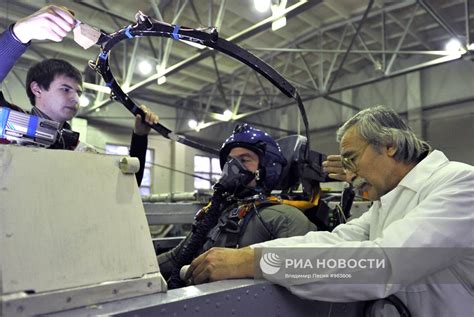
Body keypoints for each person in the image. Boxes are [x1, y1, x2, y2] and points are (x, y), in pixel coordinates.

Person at [185, 106, 474, 316]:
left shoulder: (460, 184)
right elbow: (335, 240)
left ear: (389, 146)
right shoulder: (390, 201)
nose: (348, 171)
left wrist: (256, 263)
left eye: (352, 158)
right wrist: (249, 255)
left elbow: (382, 264)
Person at [0, 5, 158, 185]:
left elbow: (127, 185)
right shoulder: (7, 123)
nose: (75, 98)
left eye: (78, 92)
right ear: (37, 89)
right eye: (65, 89)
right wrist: (19, 34)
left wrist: (140, 136)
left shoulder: (80, 150)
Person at [158, 124, 317, 287]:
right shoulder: (217, 212)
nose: (232, 166)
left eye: (244, 159)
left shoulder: (284, 218)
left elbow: (305, 273)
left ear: (267, 168)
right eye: (230, 160)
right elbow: (176, 257)